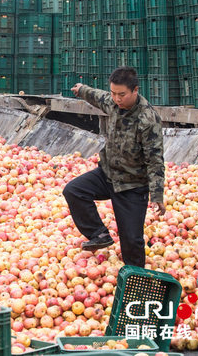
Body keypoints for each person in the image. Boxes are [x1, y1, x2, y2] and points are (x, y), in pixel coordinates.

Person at [62, 67, 166, 267]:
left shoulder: (147, 119)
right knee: (74, 190)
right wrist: (81, 88)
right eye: (114, 93)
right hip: (107, 175)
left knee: (132, 240)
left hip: (132, 186)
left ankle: (136, 278)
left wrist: (157, 194)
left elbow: (155, 159)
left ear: (135, 90)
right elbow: (97, 96)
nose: (117, 99)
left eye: (122, 94)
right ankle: (99, 234)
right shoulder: (112, 103)